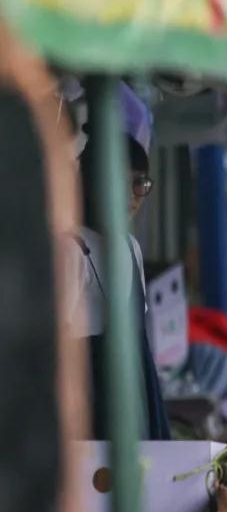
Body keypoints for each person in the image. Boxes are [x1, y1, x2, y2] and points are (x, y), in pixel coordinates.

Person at [65, 132, 170, 440]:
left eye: (139, 184)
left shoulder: (130, 247)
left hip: (135, 405)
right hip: (91, 415)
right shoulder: (69, 248)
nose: (129, 196)